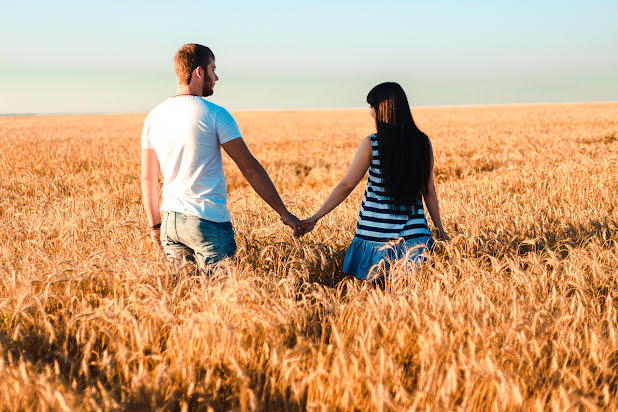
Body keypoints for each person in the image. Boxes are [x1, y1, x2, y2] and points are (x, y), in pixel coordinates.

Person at [141, 43, 300, 271]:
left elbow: (148, 179)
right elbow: (250, 169)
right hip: (207, 220)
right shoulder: (215, 114)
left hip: (170, 221)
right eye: (212, 69)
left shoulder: (154, 117)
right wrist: (285, 214)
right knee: (222, 297)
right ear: (198, 72)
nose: (216, 77)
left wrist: (155, 226)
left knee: (183, 297)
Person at [297, 82, 448, 281]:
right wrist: (440, 231)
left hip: (374, 238)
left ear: (384, 109)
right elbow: (429, 190)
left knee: (371, 300)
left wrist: (315, 217)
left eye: (372, 106)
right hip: (415, 237)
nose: (370, 112)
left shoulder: (372, 144)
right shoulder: (422, 142)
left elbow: (346, 186)